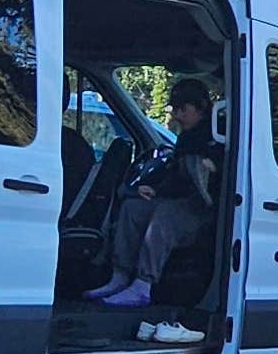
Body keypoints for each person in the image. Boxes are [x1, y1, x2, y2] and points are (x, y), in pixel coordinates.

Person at [86, 119, 212, 310]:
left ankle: (143, 286)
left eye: (183, 109)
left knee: (165, 215)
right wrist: (154, 189)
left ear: (201, 107)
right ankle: (120, 275)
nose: (178, 115)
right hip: (177, 199)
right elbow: (175, 177)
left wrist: (213, 166)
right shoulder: (186, 139)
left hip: (202, 209)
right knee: (132, 208)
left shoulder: (216, 140)